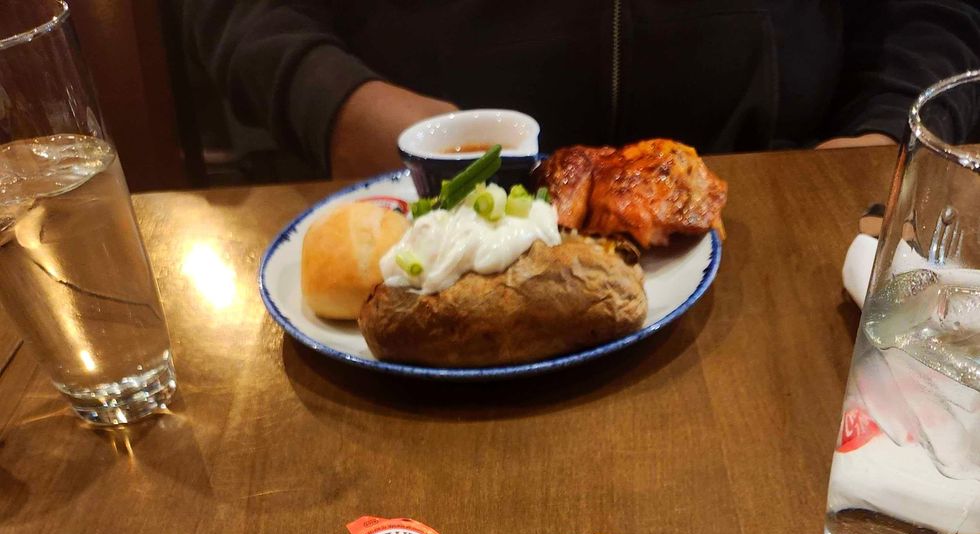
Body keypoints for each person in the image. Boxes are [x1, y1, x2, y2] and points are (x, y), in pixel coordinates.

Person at [180, 2, 980, 178]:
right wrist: (329, 100)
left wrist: (891, 128)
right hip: (425, 205)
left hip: (775, 193)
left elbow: (933, 11)